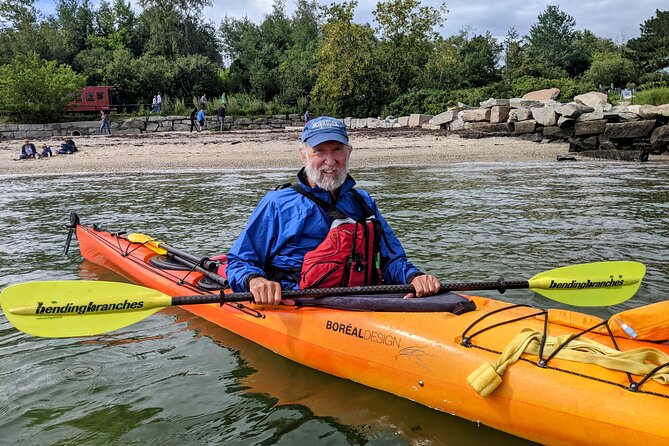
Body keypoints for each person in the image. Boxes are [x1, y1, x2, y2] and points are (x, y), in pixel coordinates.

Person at [226, 116, 441, 306]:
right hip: (298, 303)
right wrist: (255, 280)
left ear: (348, 152)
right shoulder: (277, 203)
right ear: (304, 155)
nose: (330, 161)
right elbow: (239, 261)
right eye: (320, 151)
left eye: (337, 150)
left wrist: (414, 277)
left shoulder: (363, 202)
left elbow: (391, 259)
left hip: (362, 301)